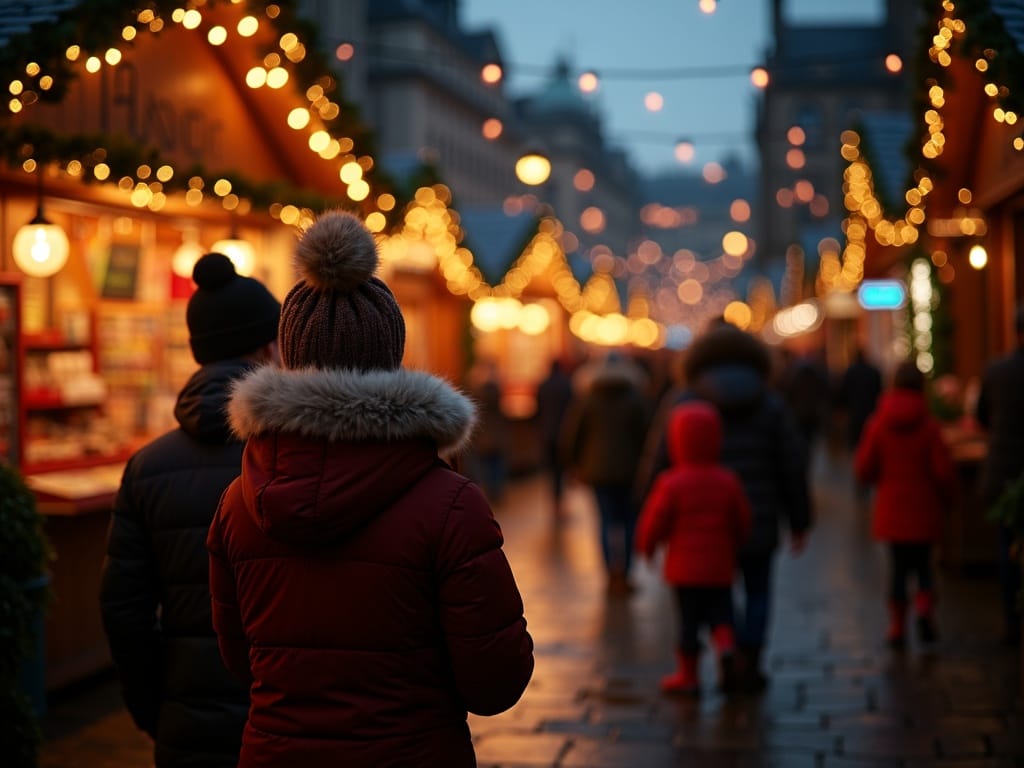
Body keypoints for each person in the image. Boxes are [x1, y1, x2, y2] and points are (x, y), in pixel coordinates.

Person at [206, 211, 534, 768]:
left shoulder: (239, 501)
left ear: (292, 353)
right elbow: (495, 681)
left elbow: (239, 659)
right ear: (390, 352)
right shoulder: (450, 504)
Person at [99, 253, 282, 767]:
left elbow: (124, 610)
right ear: (269, 347)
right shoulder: (296, 453)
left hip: (185, 723)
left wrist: (154, 709)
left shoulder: (147, 467)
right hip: (287, 717)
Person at [637, 320, 811, 691]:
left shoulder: (682, 401)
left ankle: (723, 651)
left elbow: (658, 458)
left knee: (715, 594)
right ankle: (749, 660)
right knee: (759, 590)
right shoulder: (770, 403)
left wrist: (647, 514)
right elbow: (792, 464)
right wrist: (800, 519)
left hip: (698, 525)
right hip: (760, 518)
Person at [636, 401, 752, 695]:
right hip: (720, 567)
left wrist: (646, 547)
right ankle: (726, 649)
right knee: (722, 614)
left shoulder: (670, 482)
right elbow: (742, 520)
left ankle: (689, 676)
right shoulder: (728, 480)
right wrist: (737, 543)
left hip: (683, 571)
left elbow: (655, 520)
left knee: (688, 623)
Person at [854, 361, 956, 649]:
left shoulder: (878, 423)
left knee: (898, 570)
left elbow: (864, 469)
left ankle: (897, 627)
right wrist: (950, 500)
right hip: (924, 511)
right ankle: (925, 611)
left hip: (892, 511)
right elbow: (942, 472)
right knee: (924, 567)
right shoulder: (929, 427)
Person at [561, 351, 650, 595]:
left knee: (606, 521)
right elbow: (647, 436)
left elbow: (573, 434)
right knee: (630, 522)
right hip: (630, 471)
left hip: (597, 470)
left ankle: (611, 574)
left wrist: (572, 465)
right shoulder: (635, 398)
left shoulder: (588, 398)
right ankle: (626, 573)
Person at [975, 306, 1024, 646]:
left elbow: (980, 415)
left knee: (1007, 547)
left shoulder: (998, 370)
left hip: (1004, 473)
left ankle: (1011, 620)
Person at [465, 357, 510, 502]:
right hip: (495, 434)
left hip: (483, 435)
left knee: (487, 466)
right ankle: (496, 493)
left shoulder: (476, 390)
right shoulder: (494, 389)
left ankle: (490, 492)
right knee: (495, 465)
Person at [535, 358, 574, 515]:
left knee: (551, 471)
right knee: (561, 470)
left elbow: (537, 410)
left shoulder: (543, 386)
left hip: (547, 433)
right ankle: (560, 501)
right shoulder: (567, 385)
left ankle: (554, 501)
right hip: (564, 433)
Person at [837, 347, 883, 453]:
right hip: (871, 413)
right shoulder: (873, 372)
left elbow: (843, 394)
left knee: (857, 445)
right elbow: (879, 392)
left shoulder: (850, 372)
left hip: (854, 415)